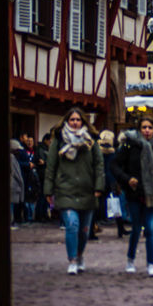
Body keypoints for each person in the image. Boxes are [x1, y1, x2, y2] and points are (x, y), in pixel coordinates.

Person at [43, 107, 104, 274]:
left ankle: (80, 254)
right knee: (72, 225)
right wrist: (48, 190)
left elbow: (99, 165)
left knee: (84, 230)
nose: (75, 122)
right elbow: (51, 166)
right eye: (72, 120)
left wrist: (99, 186)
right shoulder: (59, 141)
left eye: (78, 120)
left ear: (83, 122)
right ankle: (72, 260)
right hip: (65, 189)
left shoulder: (90, 141)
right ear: (67, 121)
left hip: (87, 190)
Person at [111, 115, 153, 276]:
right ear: (139, 129)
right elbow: (114, 165)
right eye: (144, 127)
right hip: (135, 193)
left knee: (150, 229)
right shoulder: (130, 146)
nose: (147, 131)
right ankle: (130, 258)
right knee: (136, 227)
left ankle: (151, 263)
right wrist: (127, 179)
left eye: (150, 128)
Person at [9, 140, 25, 229]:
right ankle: (11, 222)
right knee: (11, 205)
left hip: (13, 185)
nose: (18, 151)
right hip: (13, 185)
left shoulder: (12, 157)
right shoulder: (11, 158)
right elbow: (16, 174)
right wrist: (21, 183)